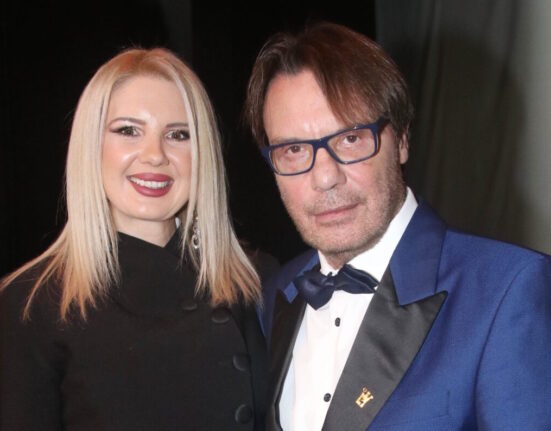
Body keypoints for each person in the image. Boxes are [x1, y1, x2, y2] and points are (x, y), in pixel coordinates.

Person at [244, 21, 551, 430]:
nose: (325, 177)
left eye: (350, 139)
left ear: (402, 139)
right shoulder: (272, 297)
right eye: (295, 149)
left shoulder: (507, 291)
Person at [0, 47, 274, 430]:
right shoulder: (31, 303)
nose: (155, 155)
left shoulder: (256, 281)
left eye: (178, 135)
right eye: (128, 131)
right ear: (91, 146)